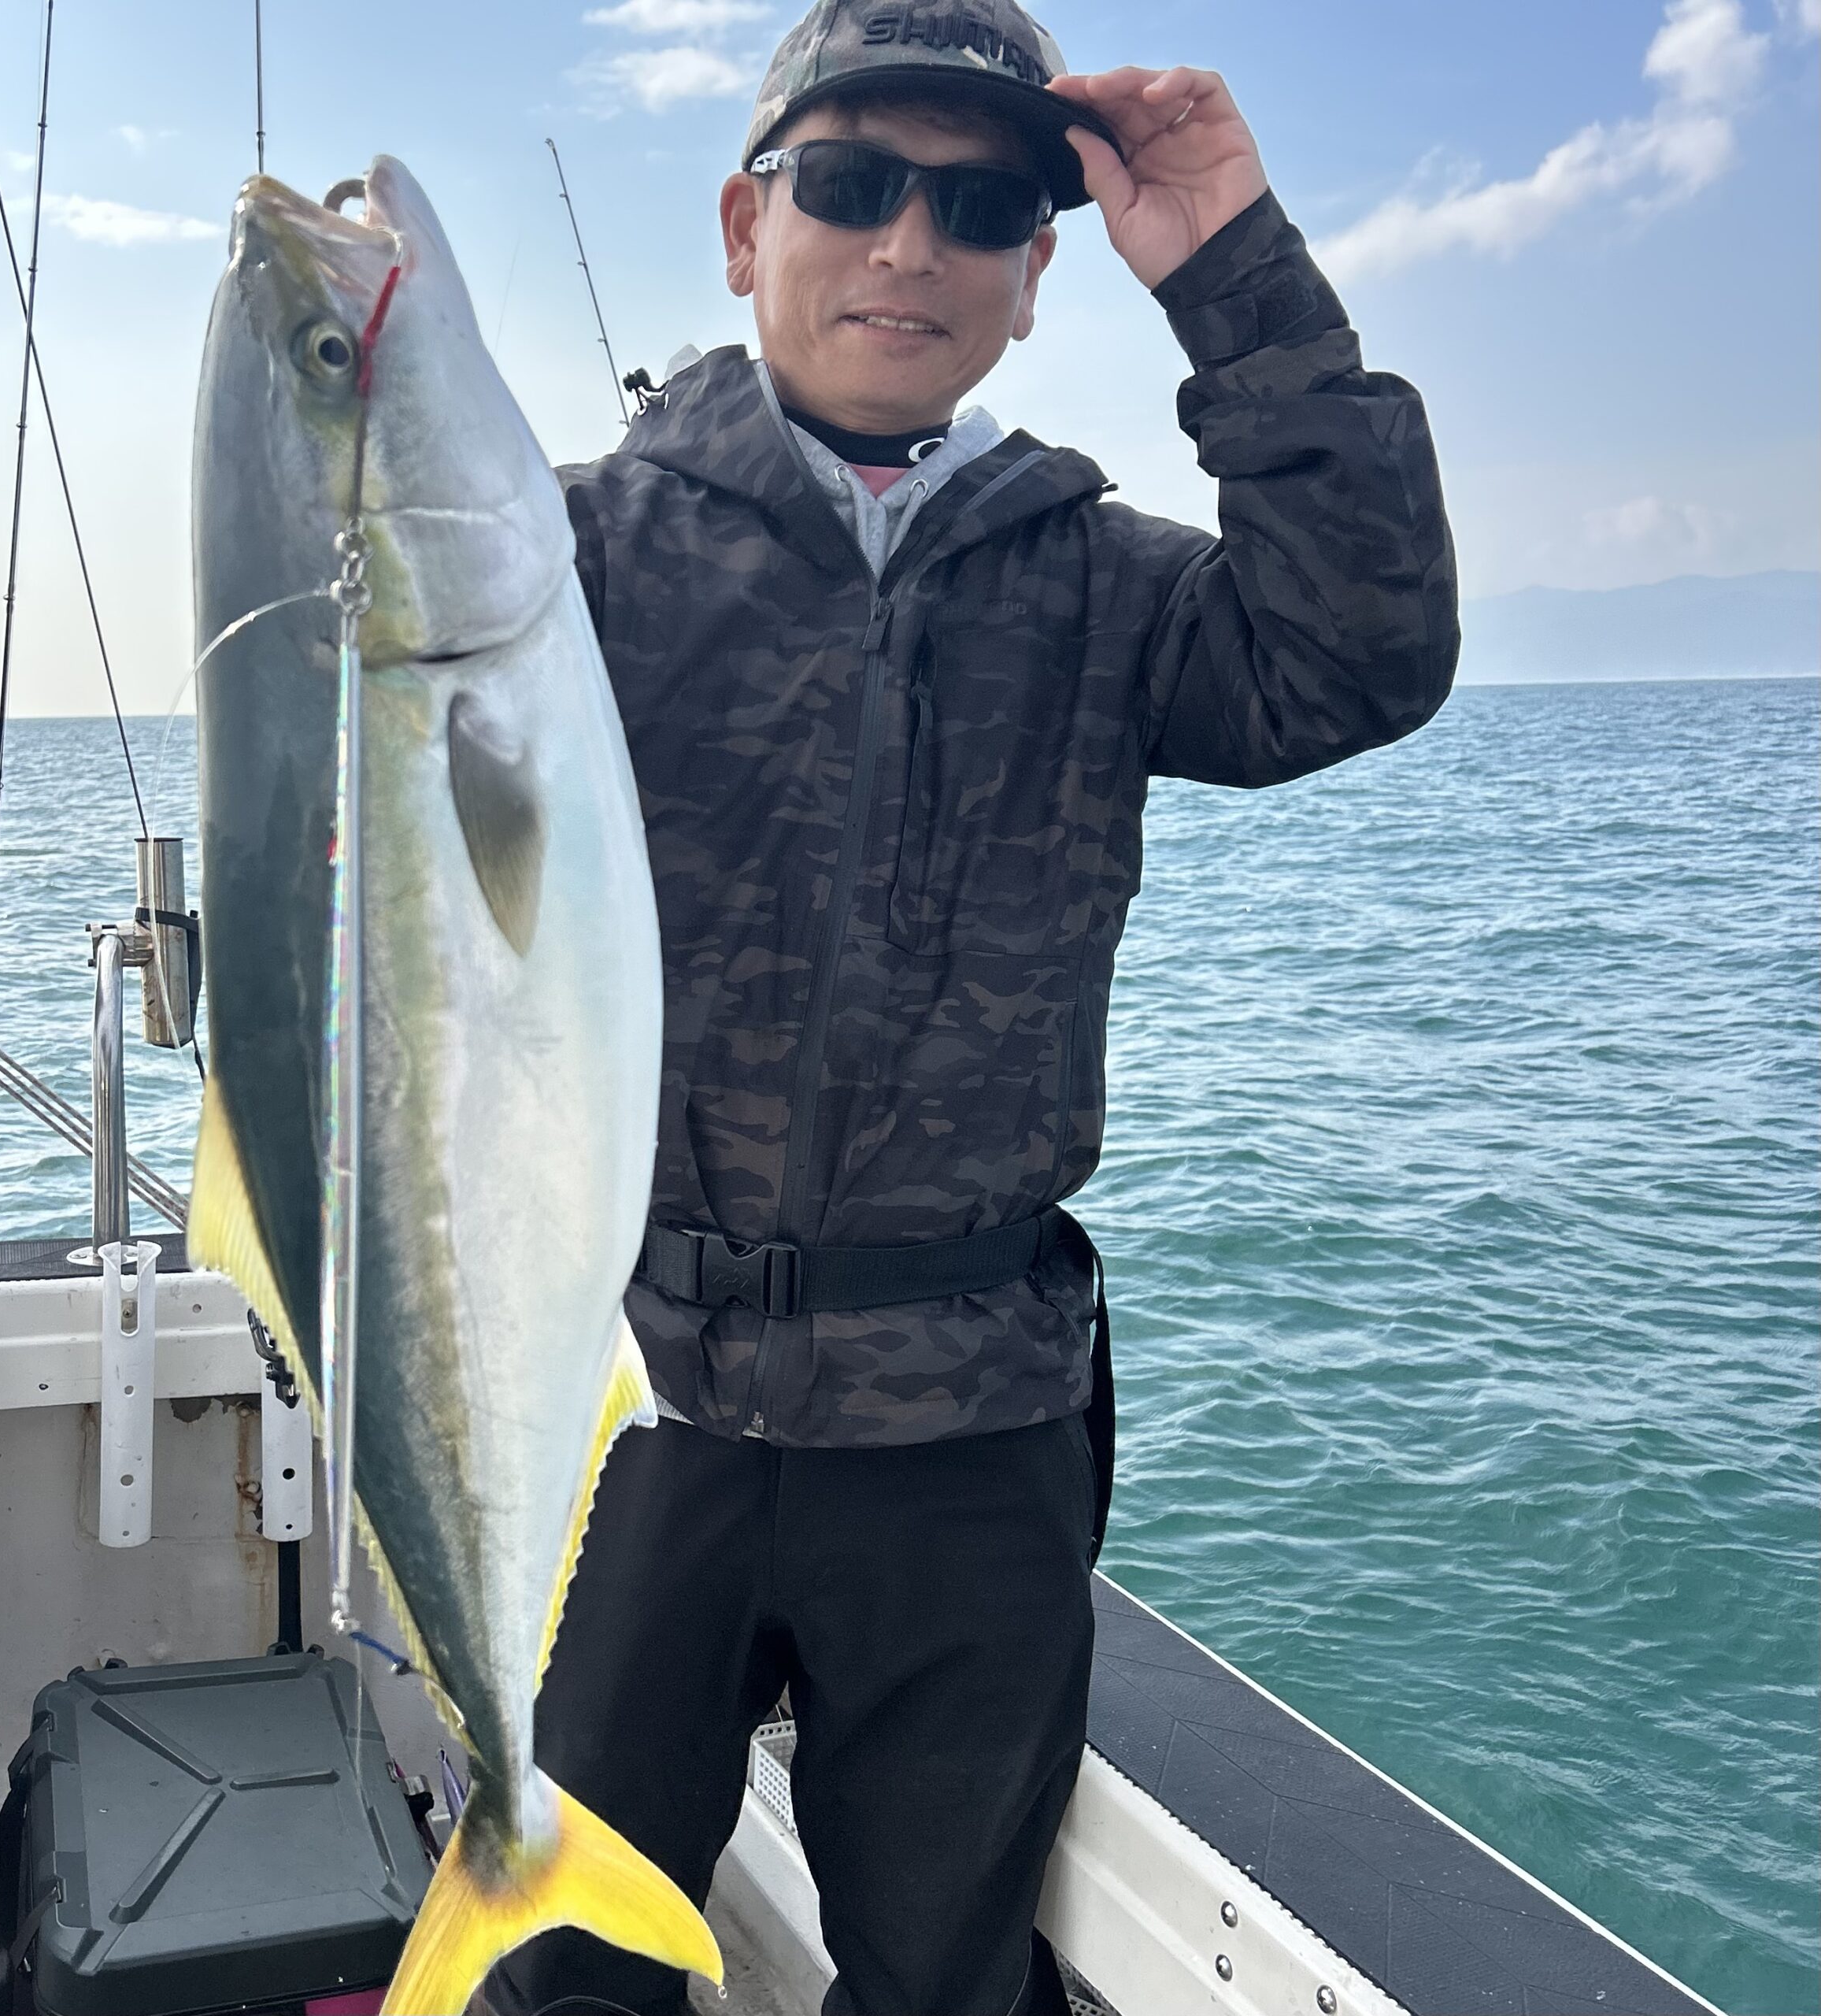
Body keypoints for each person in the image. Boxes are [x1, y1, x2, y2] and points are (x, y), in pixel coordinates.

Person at [487, 3, 1458, 2011]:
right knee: (560, 1968)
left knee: (945, 1981)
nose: (906, 245)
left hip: (973, 1413)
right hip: (615, 1395)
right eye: (849, 184)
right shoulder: (551, 557)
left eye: (982, 206)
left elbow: (1361, 654)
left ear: (1033, 278)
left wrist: (1229, 269)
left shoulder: (1109, 587)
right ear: (744, 227)